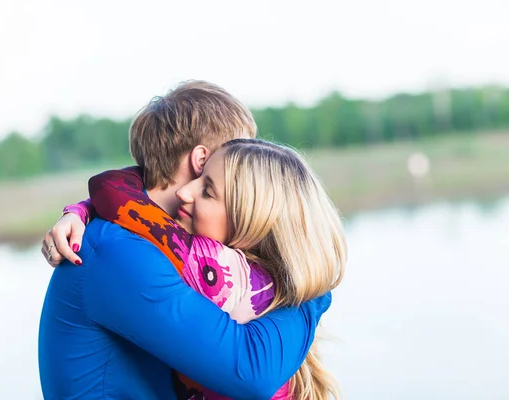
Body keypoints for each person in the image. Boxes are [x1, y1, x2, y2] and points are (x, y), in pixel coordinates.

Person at [39, 81, 334, 399]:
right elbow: (250, 372)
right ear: (202, 160)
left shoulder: (158, 240)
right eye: (241, 152)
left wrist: (82, 207)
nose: (252, 169)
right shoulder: (119, 252)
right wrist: (312, 290)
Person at [79, 138, 347, 399]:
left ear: (248, 222)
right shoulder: (280, 285)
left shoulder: (219, 269)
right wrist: (317, 294)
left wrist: (84, 210)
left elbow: (112, 191)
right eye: (198, 178)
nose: (184, 192)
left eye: (207, 191)